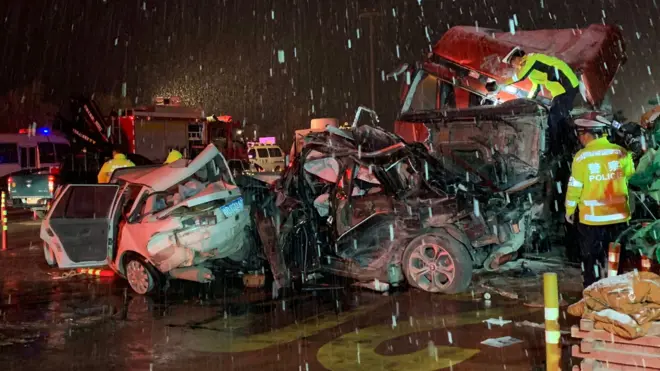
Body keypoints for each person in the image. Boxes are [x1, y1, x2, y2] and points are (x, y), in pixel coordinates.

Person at [564, 114, 635, 288]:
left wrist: (569, 210)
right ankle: (617, 289)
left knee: (591, 259)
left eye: (581, 134)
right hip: (619, 217)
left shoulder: (581, 157)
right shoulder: (620, 152)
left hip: (593, 220)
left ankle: (593, 291)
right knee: (616, 257)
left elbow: (575, 188)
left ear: (588, 134)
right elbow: (631, 176)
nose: (580, 138)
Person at [486, 47, 580, 155]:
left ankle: (556, 151)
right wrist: (526, 101)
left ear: (517, 58)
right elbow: (536, 87)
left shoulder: (532, 59)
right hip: (560, 92)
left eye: (512, 63)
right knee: (560, 119)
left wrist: (502, 83)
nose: (513, 67)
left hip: (567, 86)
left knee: (554, 118)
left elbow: (519, 77)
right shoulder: (532, 71)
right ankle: (570, 146)